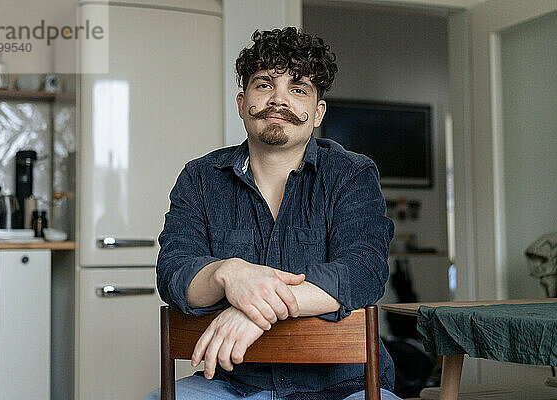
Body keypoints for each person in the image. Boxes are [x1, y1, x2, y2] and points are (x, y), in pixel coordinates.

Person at [144, 27, 399, 400]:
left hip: (343, 385)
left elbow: (362, 271)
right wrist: (229, 272)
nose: (279, 99)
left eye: (298, 89)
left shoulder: (352, 174)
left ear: (317, 113)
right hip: (234, 383)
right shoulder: (199, 178)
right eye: (265, 84)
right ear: (241, 101)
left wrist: (254, 308)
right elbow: (175, 273)